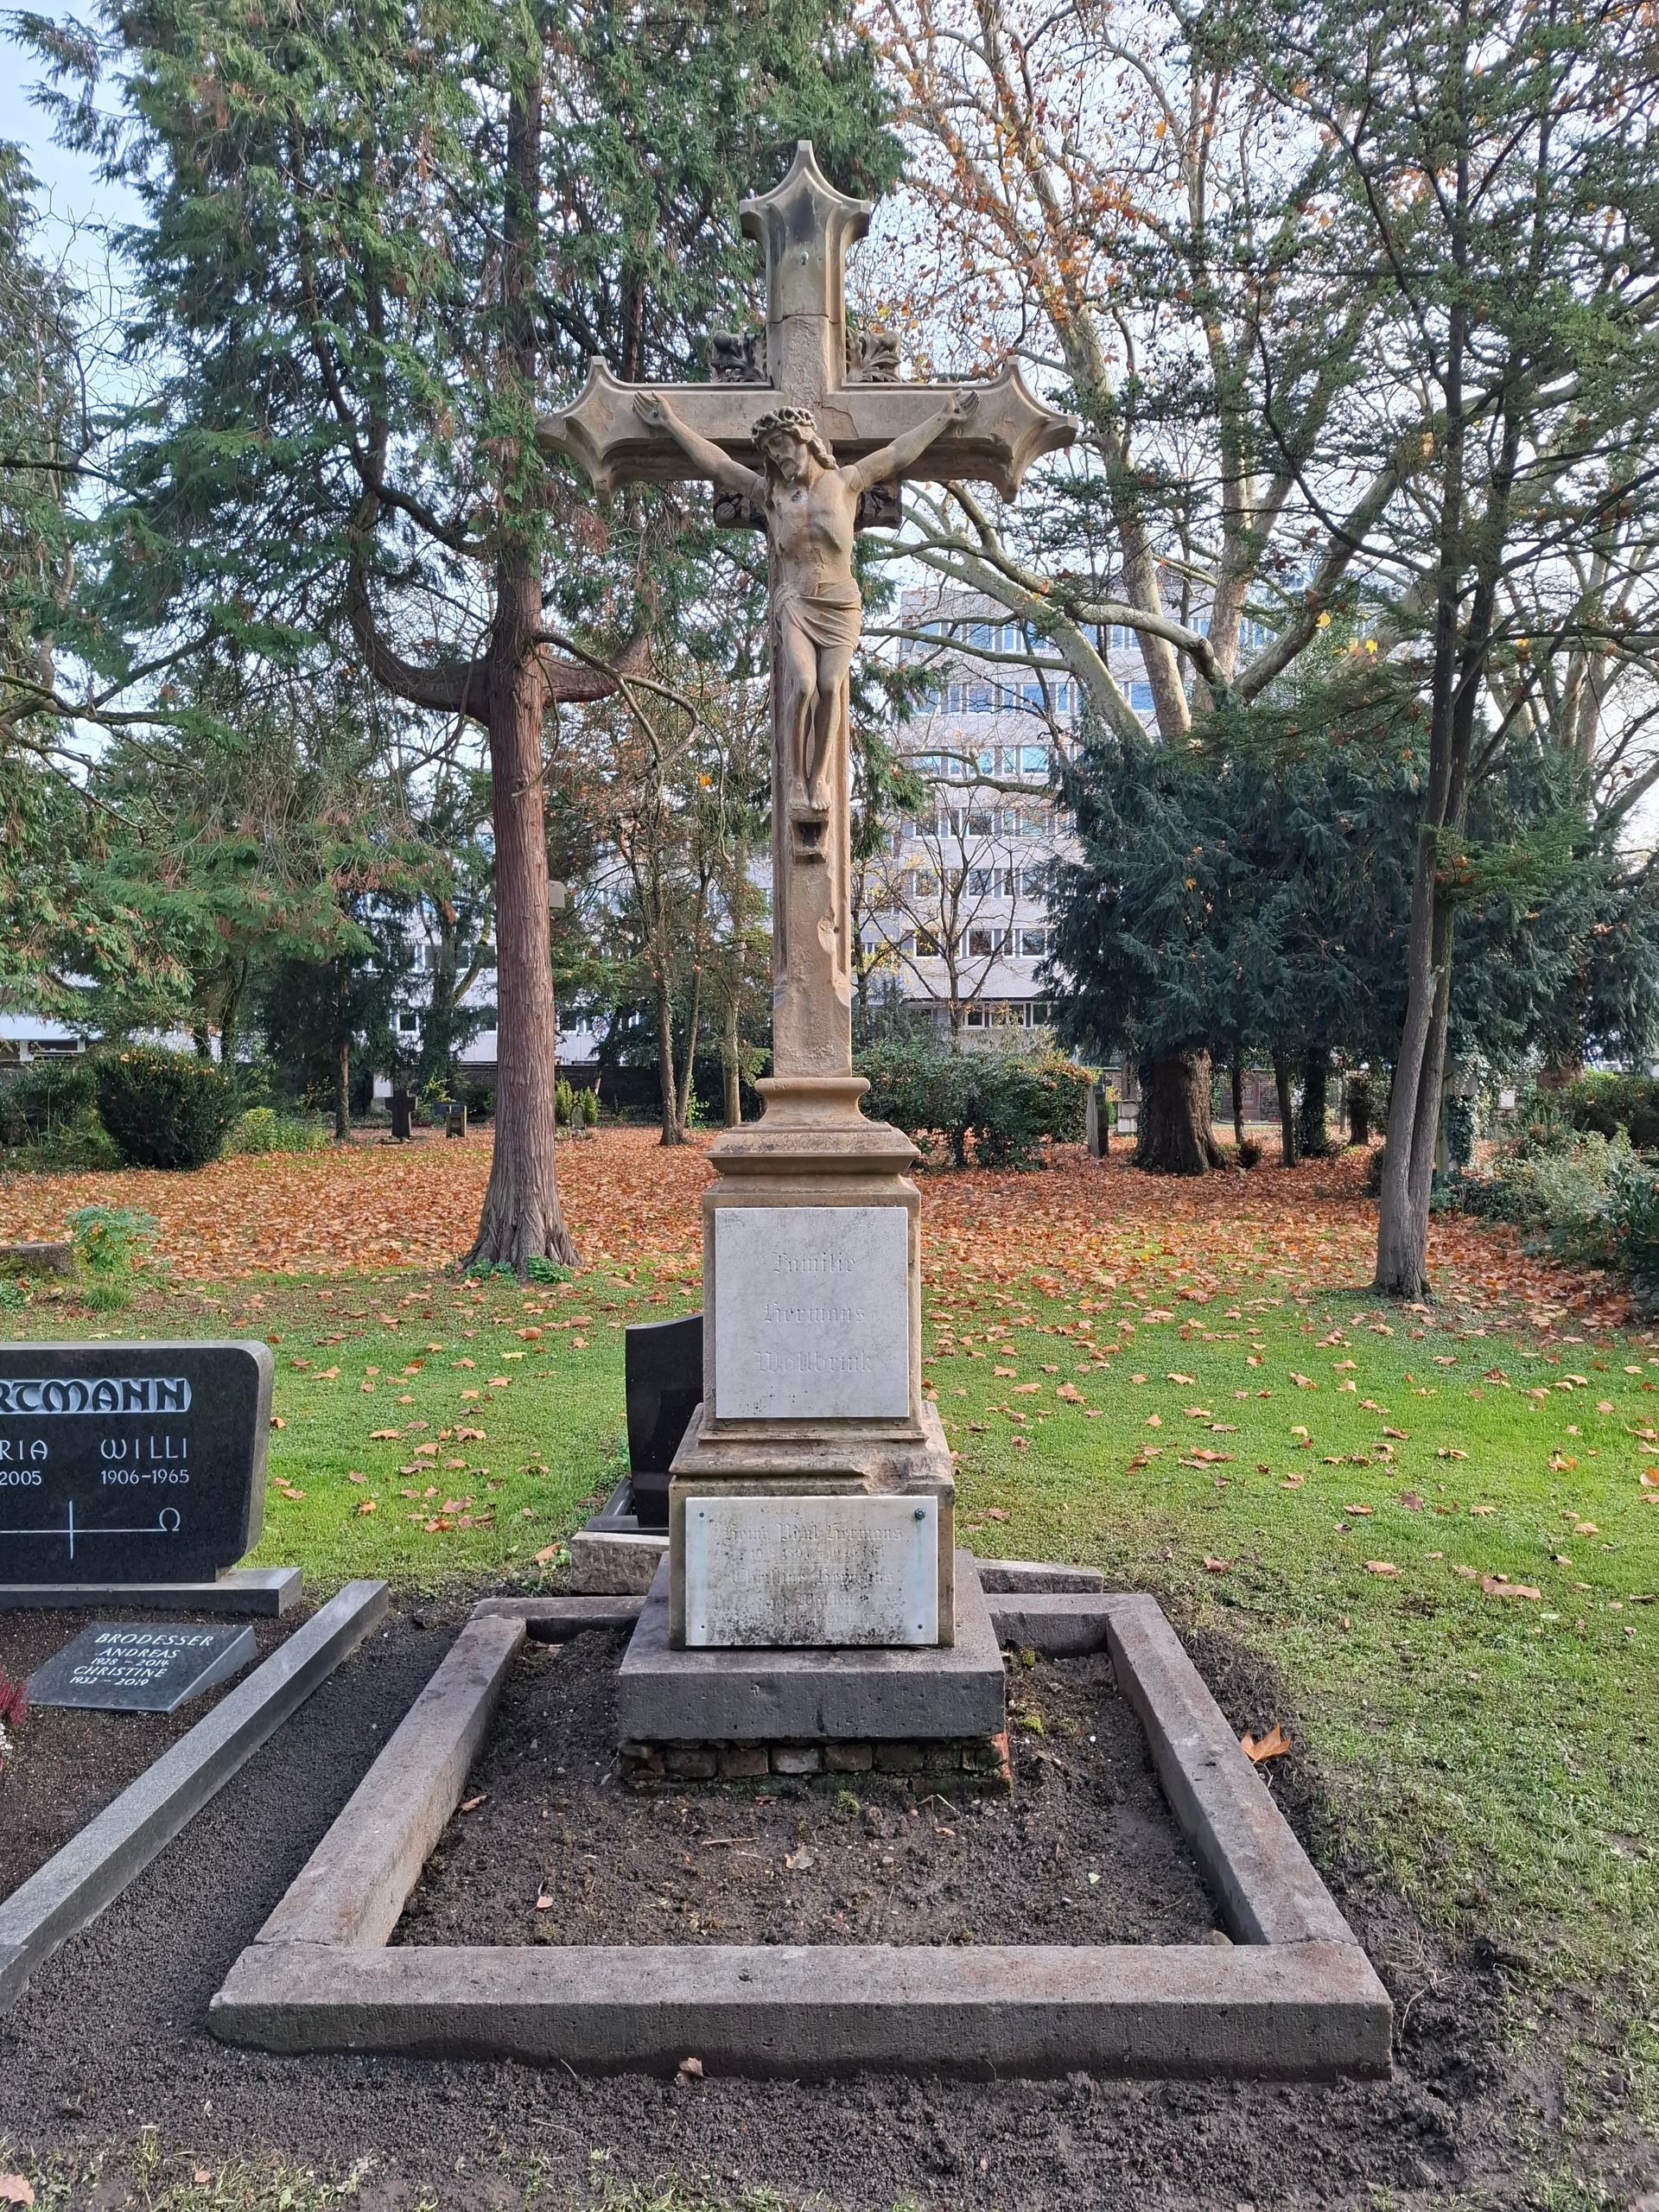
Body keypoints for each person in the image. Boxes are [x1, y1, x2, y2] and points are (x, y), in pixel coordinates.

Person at [632, 386, 977, 842]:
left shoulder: (848, 481)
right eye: (772, 452)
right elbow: (717, 464)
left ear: (807, 441)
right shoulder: (771, 496)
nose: (780, 458)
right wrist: (671, 423)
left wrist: (945, 417)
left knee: (832, 685)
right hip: (794, 601)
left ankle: (819, 779)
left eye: (784, 447)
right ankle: (794, 778)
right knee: (805, 684)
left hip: (839, 602)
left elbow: (895, 455)